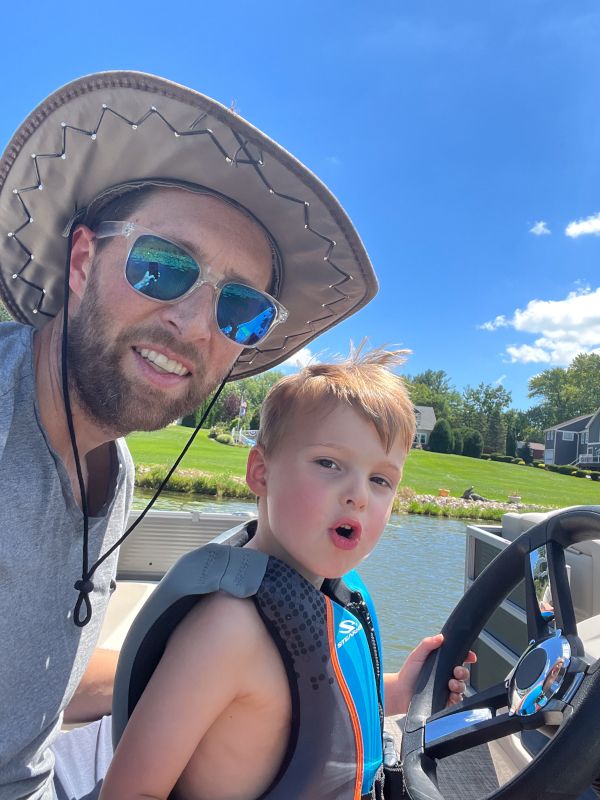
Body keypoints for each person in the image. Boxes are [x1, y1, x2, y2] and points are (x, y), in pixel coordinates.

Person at [0, 72, 379, 800]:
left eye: (240, 309)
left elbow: (46, 683)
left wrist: (381, 688)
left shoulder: (114, 470)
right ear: (82, 262)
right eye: (164, 266)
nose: (197, 324)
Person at [101, 348, 475, 800]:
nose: (358, 495)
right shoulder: (226, 632)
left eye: (381, 480)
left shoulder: (335, 594)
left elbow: (320, 709)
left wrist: (402, 690)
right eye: (329, 464)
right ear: (260, 472)